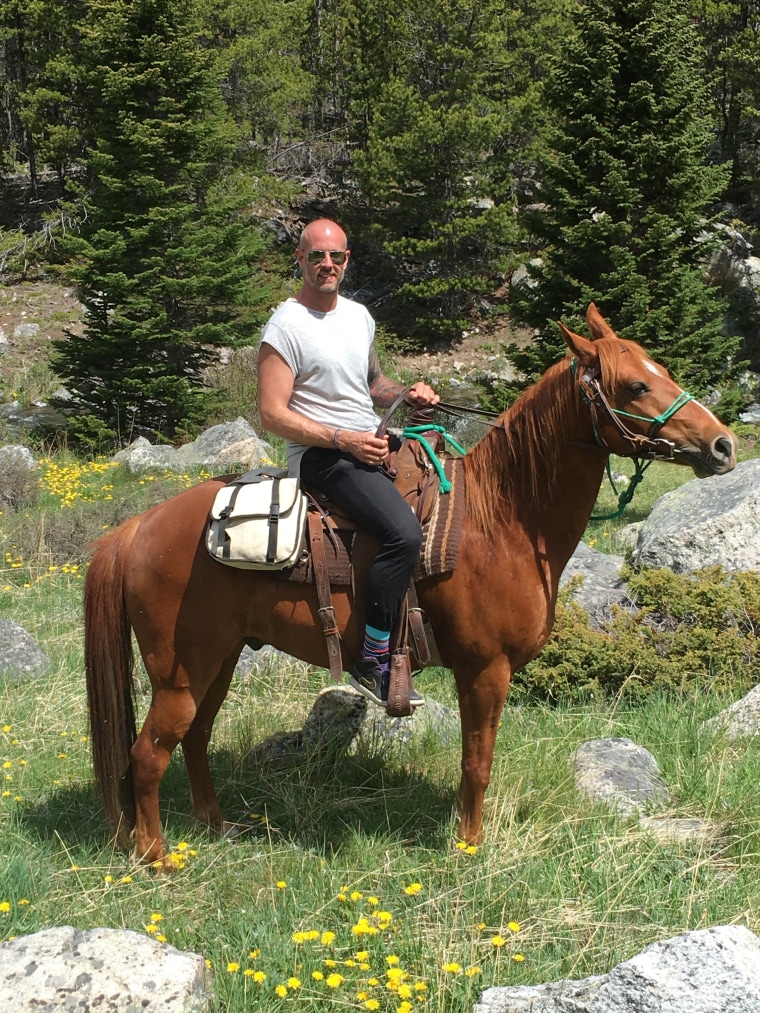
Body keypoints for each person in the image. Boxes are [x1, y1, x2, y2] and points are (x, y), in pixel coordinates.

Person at [258, 218, 439, 707]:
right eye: (316, 255)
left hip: (369, 442)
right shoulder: (285, 326)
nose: (327, 264)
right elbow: (272, 413)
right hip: (322, 457)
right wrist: (345, 440)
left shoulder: (358, 316)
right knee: (403, 532)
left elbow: (373, 385)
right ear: (300, 260)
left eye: (335, 256)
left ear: (347, 259)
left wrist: (408, 393)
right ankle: (373, 659)